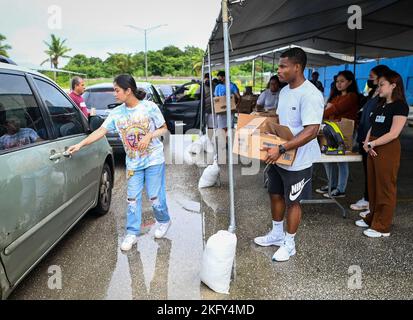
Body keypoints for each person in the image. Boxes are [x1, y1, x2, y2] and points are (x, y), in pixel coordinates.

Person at [67, 74, 171, 251]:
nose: (114, 94)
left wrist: (149, 135)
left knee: (154, 197)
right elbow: (101, 130)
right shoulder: (116, 113)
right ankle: (132, 233)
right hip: (133, 163)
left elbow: (164, 128)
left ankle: (163, 220)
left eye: (116, 90)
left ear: (128, 90)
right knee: (132, 199)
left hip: (153, 158)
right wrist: (80, 145)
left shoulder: (149, 107)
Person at [254, 48, 324, 262]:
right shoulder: (284, 91)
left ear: (297, 67)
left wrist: (282, 148)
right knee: (275, 194)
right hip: (279, 156)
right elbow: (280, 119)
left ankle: (290, 244)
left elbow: (312, 131)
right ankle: (276, 234)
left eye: (283, 66)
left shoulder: (311, 94)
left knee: (293, 201)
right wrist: (264, 128)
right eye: (279, 66)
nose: (279, 70)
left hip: (298, 160)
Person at [355, 70, 409, 238]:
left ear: (394, 85)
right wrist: (366, 141)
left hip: (387, 147)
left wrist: (373, 143)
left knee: (385, 186)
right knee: (373, 185)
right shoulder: (381, 104)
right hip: (373, 145)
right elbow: (373, 126)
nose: (379, 88)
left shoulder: (400, 106)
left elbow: (393, 133)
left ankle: (382, 226)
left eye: (382, 85)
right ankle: (373, 217)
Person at [350, 65, 391, 215]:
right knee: (368, 172)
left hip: (375, 140)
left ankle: (372, 203)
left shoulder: (386, 98)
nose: (370, 78)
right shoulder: (372, 93)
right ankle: (368, 200)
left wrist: (372, 141)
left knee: (376, 175)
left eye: (372, 75)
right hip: (365, 138)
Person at [316, 70, 360, 198]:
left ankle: (341, 189)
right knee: (327, 157)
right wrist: (328, 109)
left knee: (341, 160)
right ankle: (331, 184)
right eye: (337, 81)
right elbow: (330, 109)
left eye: (342, 81)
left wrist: (321, 113)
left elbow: (335, 109)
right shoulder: (336, 96)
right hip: (331, 130)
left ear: (350, 82)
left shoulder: (352, 96)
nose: (338, 84)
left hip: (345, 132)